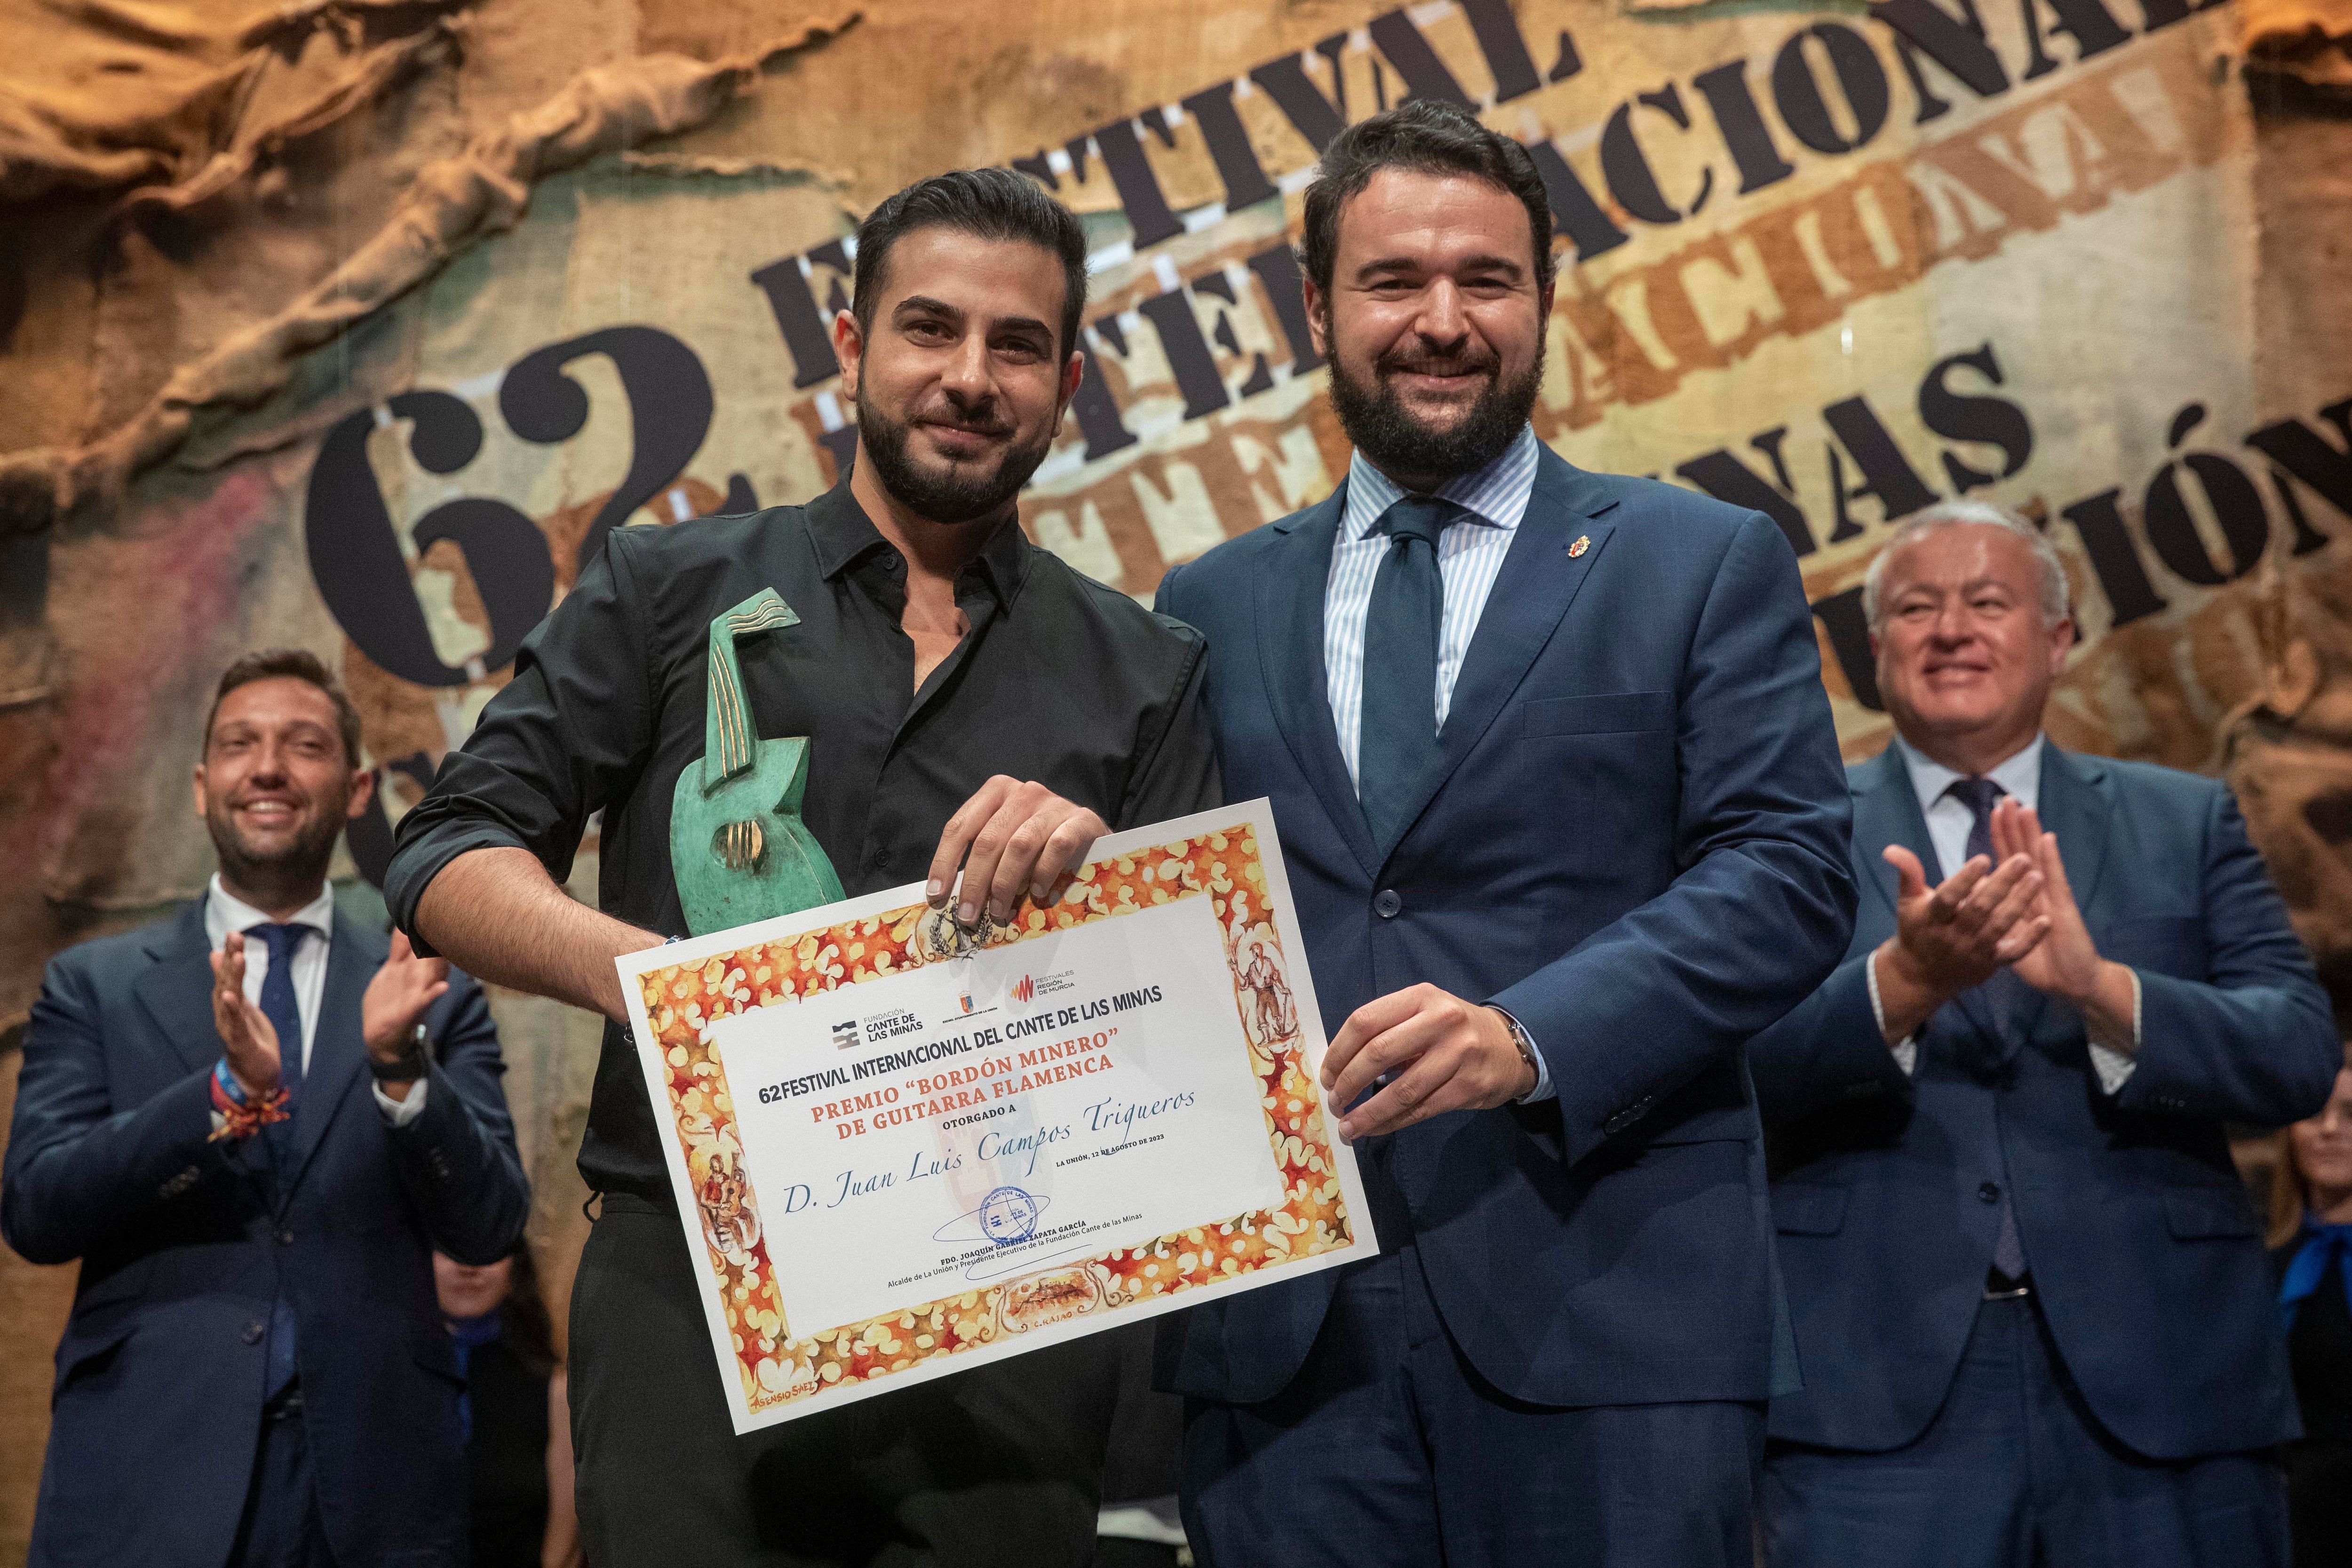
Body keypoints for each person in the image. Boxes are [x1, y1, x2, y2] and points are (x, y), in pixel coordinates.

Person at [384, 167, 1220, 1567]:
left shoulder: (1144, 669)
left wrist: (1098, 905)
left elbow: (1195, 1041)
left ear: (1068, 380)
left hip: (1004, 1298)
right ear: (849, 347)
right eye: (928, 329)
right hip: (690, 1284)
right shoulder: (668, 589)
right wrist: (670, 982)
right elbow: (445, 851)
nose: (969, 376)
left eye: (1017, 346)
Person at [1154, 99, 1857, 1567]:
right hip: (1287, 1343)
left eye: (1486, 278)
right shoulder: (1206, 601)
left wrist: (1524, 1038)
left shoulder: (1698, 558)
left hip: (1609, 1314)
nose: (1440, 321)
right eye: (1392, 281)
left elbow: (1788, 874)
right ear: (1316, 307)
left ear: (1544, 296)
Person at [1747, 499, 2339, 1567]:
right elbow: (1724, 1072)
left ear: (2059, 640)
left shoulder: (2182, 817)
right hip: (1872, 1396)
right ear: (1875, 652)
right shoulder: (1793, 835)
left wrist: (2104, 991)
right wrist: (1899, 985)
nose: (1950, 629)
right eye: (1916, 609)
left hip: (2164, 1382)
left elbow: (2296, 1052)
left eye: (1987, 601)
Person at [2, 649, 531, 1568]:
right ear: (205, 784)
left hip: (377, 1486)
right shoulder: (96, 984)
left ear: (358, 786)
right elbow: (38, 1210)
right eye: (241, 745)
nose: (270, 766)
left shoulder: (425, 985)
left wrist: (402, 1071)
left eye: (306, 744)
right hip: (147, 1468)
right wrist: (217, 1099)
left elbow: (488, 1224)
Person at [434, 1246, 583, 1568]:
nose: (469, 1267)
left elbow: (563, 1551)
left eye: (490, 1249)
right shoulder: (380, 1384)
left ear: (516, 1266)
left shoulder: (556, 1392)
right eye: (450, 1248)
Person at [2272, 1044, 2352, 1564]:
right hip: (2290, 1526)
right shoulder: (2262, 1264)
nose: (2326, 1130)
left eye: (2350, 1116)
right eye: (2310, 1113)